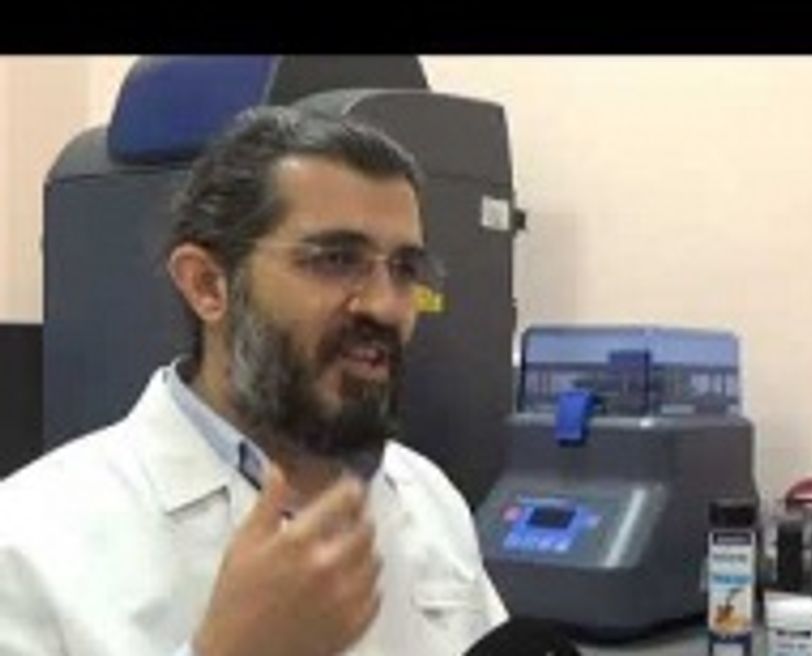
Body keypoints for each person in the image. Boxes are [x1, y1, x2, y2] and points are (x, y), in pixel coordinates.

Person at [0, 106, 507, 655]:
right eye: (337, 259)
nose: (385, 306)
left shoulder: (428, 498)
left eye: (405, 269)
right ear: (207, 284)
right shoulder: (29, 540)